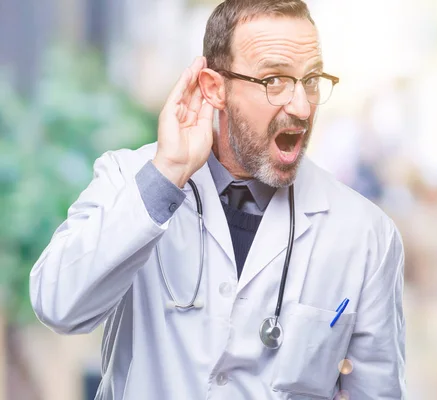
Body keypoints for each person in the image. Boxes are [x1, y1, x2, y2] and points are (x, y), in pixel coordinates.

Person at [29, 0, 407, 399]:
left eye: (311, 80)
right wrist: (166, 176)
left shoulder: (366, 235)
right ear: (214, 88)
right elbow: (58, 306)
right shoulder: (130, 180)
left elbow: (377, 392)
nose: (301, 106)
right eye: (274, 80)